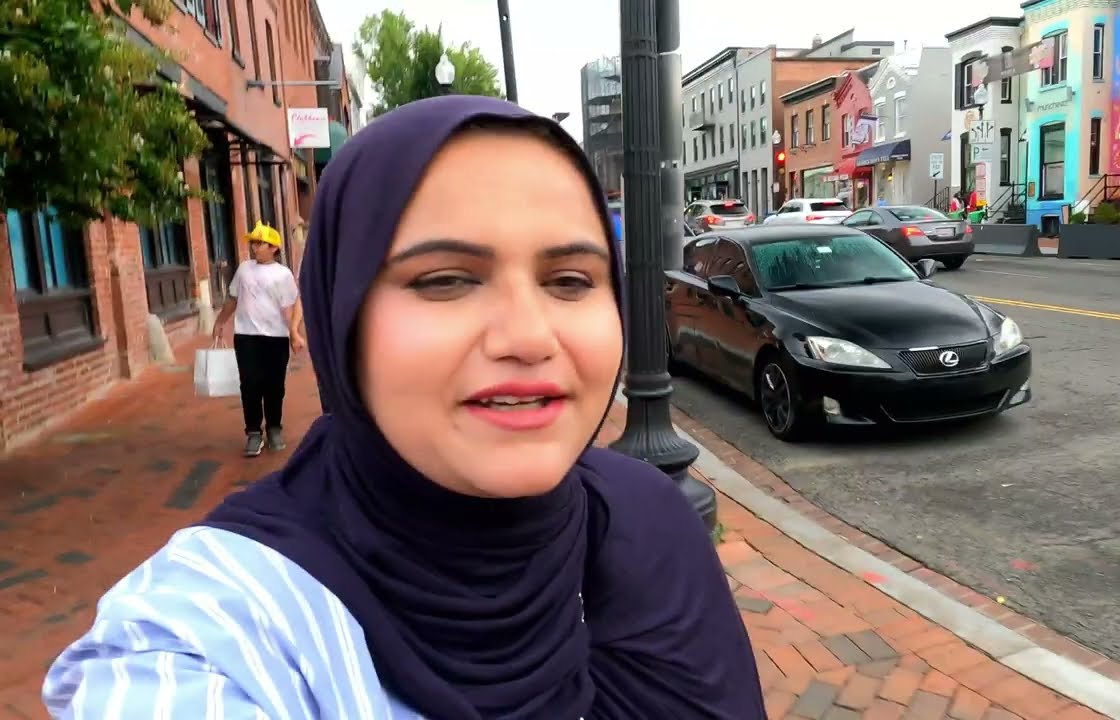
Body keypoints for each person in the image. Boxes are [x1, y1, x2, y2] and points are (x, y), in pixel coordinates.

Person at [42, 97, 765, 719]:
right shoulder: (215, 629)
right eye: (446, 280)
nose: (528, 337)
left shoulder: (644, 519)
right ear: (344, 315)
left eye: (571, 280)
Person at [209, 222, 304, 456]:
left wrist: (294, 332)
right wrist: (220, 321)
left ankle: (273, 427)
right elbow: (232, 299)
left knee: (274, 386)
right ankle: (253, 432)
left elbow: (292, 305)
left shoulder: (283, 275)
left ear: (274, 248)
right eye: (253, 242)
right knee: (250, 385)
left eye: (260, 243)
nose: (254, 247)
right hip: (246, 336)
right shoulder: (243, 270)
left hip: (276, 337)